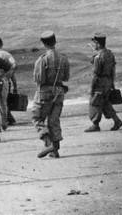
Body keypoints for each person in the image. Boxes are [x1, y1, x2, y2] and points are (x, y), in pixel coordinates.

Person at [32, 30, 70, 158]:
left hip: (44, 92)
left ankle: (48, 143)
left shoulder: (42, 59)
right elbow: (66, 77)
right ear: (55, 41)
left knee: (37, 118)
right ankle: (55, 150)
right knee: (54, 120)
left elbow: (39, 79)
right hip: (59, 91)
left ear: (43, 43)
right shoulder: (63, 58)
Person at [85, 32, 122, 132]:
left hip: (100, 82)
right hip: (108, 81)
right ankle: (117, 121)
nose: (94, 45)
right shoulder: (110, 54)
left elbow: (96, 74)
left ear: (98, 43)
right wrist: (112, 83)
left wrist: (92, 88)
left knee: (95, 103)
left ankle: (95, 125)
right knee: (105, 102)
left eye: (94, 43)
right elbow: (113, 70)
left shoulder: (98, 57)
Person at [0, 36, 17, 132]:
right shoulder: (6, 54)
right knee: (3, 102)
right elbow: (14, 65)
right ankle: (4, 123)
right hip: (4, 79)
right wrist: (8, 75)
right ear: (1, 44)